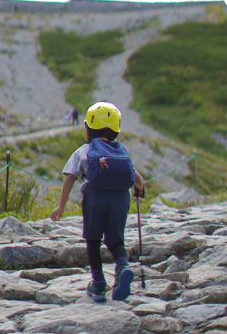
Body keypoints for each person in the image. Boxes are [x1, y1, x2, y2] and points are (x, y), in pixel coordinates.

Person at [50, 101, 145, 303]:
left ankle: (99, 283)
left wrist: (61, 206)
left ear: (88, 129)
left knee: (93, 240)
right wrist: (140, 190)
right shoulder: (120, 151)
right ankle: (123, 266)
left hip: (95, 198)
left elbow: (70, 177)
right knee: (116, 240)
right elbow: (138, 179)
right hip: (121, 198)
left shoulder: (84, 151)